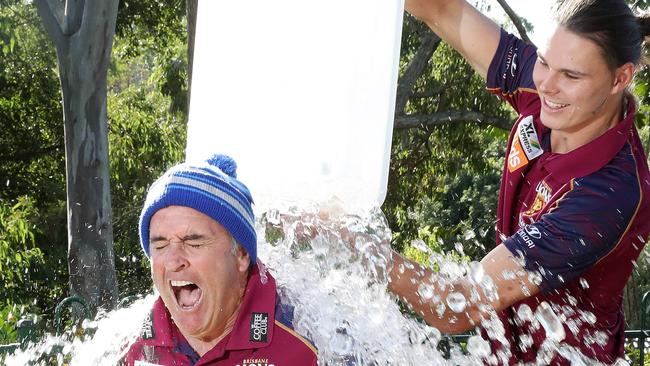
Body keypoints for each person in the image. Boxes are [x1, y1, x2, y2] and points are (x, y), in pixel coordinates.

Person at [386, 0, 650, 364]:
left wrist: (356, 244)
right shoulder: (547, 87)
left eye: (571, 76)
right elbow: (442, 9)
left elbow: (454, 306)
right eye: (543, 61)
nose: (546, 86)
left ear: (620, 78)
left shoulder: (607, 194)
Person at [122, 154, 318, 366]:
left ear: (241, 254)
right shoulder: (130, 345)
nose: (173, 261)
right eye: (160, 246)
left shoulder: (309, 336)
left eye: (193, 243)